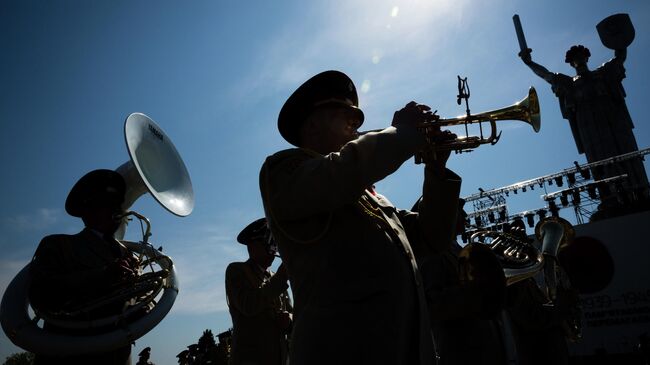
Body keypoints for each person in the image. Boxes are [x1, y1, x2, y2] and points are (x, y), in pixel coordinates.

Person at [259, 70, 461, 365]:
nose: (356, 126)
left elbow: (433, 239)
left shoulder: (371, 198)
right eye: (347, 117)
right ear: (313, 126)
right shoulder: (282, 172)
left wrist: (437, 170)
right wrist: (401, 134)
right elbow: (341, 172)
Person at [519, 39, 649, 211]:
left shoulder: (603, 73)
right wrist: (529, 62)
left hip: (613, 119)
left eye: (581, 56)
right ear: (571, 63)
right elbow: (546, 75)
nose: (578, 60)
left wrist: (619, 37)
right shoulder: (568, 83)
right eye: (574, 58)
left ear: (587, 58)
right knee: (598, 158)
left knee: (626, 151)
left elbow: (620, 57)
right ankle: (610, 198)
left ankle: (641, 191)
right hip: (589, 125)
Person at [28, 169, 139, 365]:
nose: (118, 210)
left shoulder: (128, 254)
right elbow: (42, 294)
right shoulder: (58, 245)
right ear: (88, 210)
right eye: (108, 204)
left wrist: (140, 307)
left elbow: (131, 304)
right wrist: (103, 275)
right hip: (70, 358)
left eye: (118, 204)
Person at [419, 199, 507, 365]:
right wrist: (478, 288)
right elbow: (433, 305)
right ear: (443, 215)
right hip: (463, 354)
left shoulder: (460, 251)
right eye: (459, 210)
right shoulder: (433, 254)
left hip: (488, 350)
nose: (466, 215)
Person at [225, 218, 293, 365]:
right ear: (251, 247)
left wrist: (289, 320)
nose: (273, 251)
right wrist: (281, 277)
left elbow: (292, 312)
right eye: (267, 244)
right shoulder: (237, 271)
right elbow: (248, 305)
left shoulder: (275, 277)